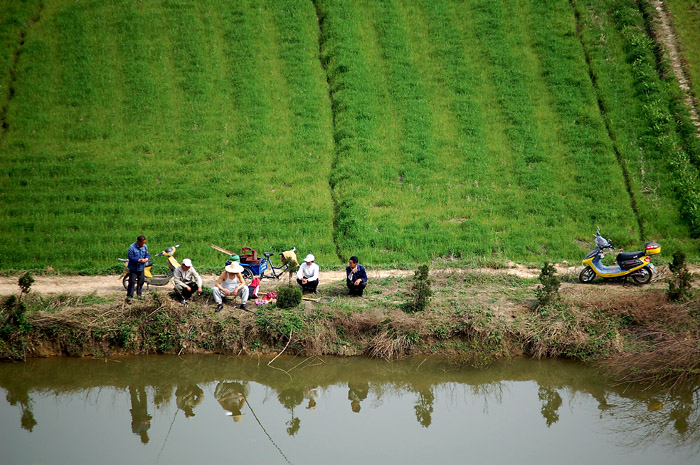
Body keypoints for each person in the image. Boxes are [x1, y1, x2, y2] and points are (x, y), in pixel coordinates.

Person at [126, 235, 150, 302]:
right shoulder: (132, 247)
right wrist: (139, 260)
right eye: (142, 243)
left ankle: (139, 295)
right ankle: (130, 296)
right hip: (133, 268)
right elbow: (130, 257)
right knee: (132, 282)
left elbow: (147, 254)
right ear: (138, 242)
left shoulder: (145, 247)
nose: (143, 244)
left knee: (141, 282)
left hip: (141, 268)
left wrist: (146, 258)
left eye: (144, 242)